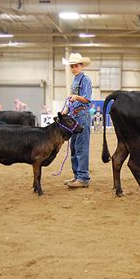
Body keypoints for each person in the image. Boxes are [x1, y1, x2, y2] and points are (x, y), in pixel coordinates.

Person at [62, 53, 93, 188]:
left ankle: (83, 177)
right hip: (74, 116)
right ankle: (77, 176)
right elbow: (73, 100)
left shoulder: (85, 80)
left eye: (76, 66)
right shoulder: (75, 81)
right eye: (72, 66)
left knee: (81, 147)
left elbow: (87, 99)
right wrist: (66, 110)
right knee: (74, 147)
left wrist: (76, 97)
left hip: (82, 116)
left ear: (81, 66)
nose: (74, 68)